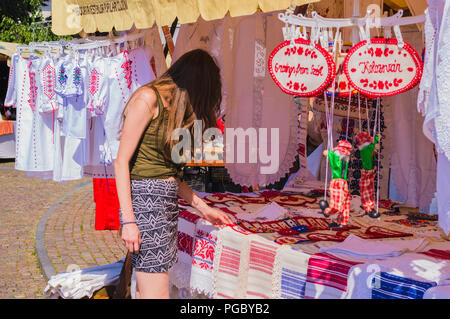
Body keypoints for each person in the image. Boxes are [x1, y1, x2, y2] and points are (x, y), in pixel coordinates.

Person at [114, 49, 233, 299]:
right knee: (156, 294)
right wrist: (129, 221)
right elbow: (121, 162)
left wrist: (204, 208)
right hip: (146, 206)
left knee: (146, 289)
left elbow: (171, 175)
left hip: (164, 207)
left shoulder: (174, 110)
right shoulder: (148, 99)